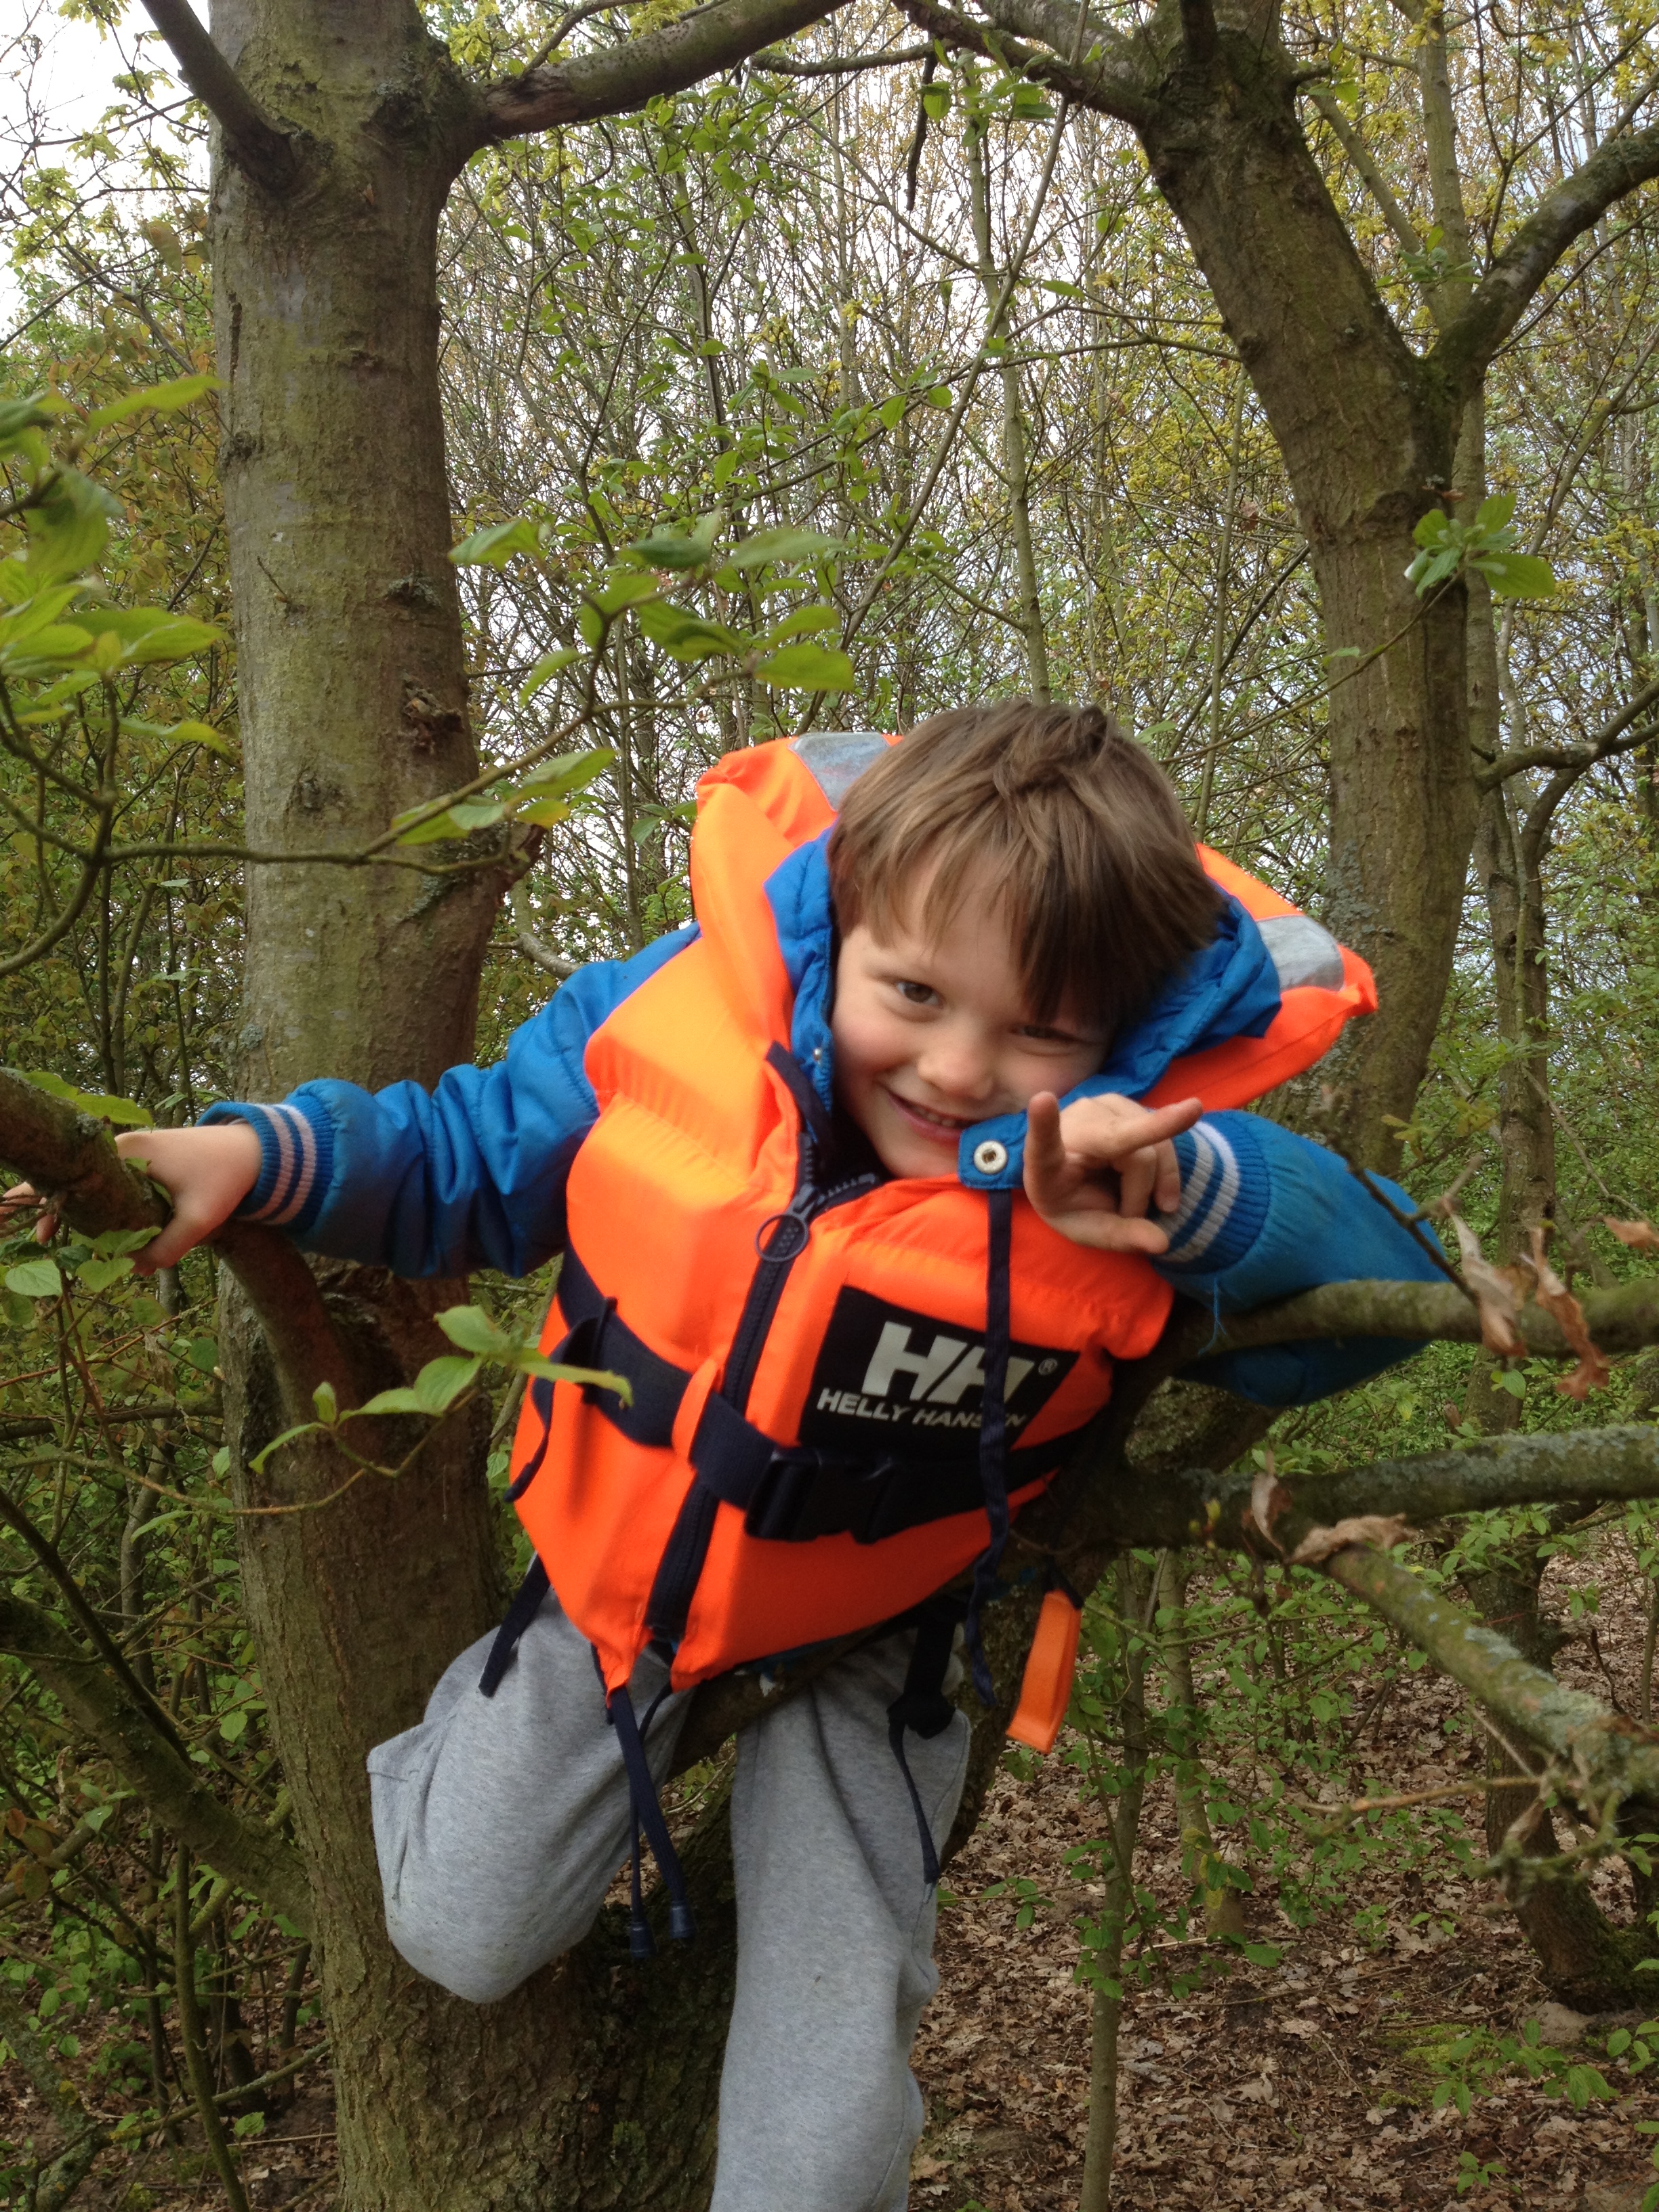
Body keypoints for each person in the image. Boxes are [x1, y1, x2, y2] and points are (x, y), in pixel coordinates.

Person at [4, 703, 1442, 2211]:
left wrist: (1194, 1189)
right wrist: (262, 1156)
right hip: (627, 1588)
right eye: (913, 993)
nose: (957, 1069)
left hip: (888, 1637)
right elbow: (474, 1154)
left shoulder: (1139, 1169)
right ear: (843, 926)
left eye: (1037, 1032)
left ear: (1118, 1034)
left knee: (820, 2152)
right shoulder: (684, 1014)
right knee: (456, 1926)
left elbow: (1384, 1293)